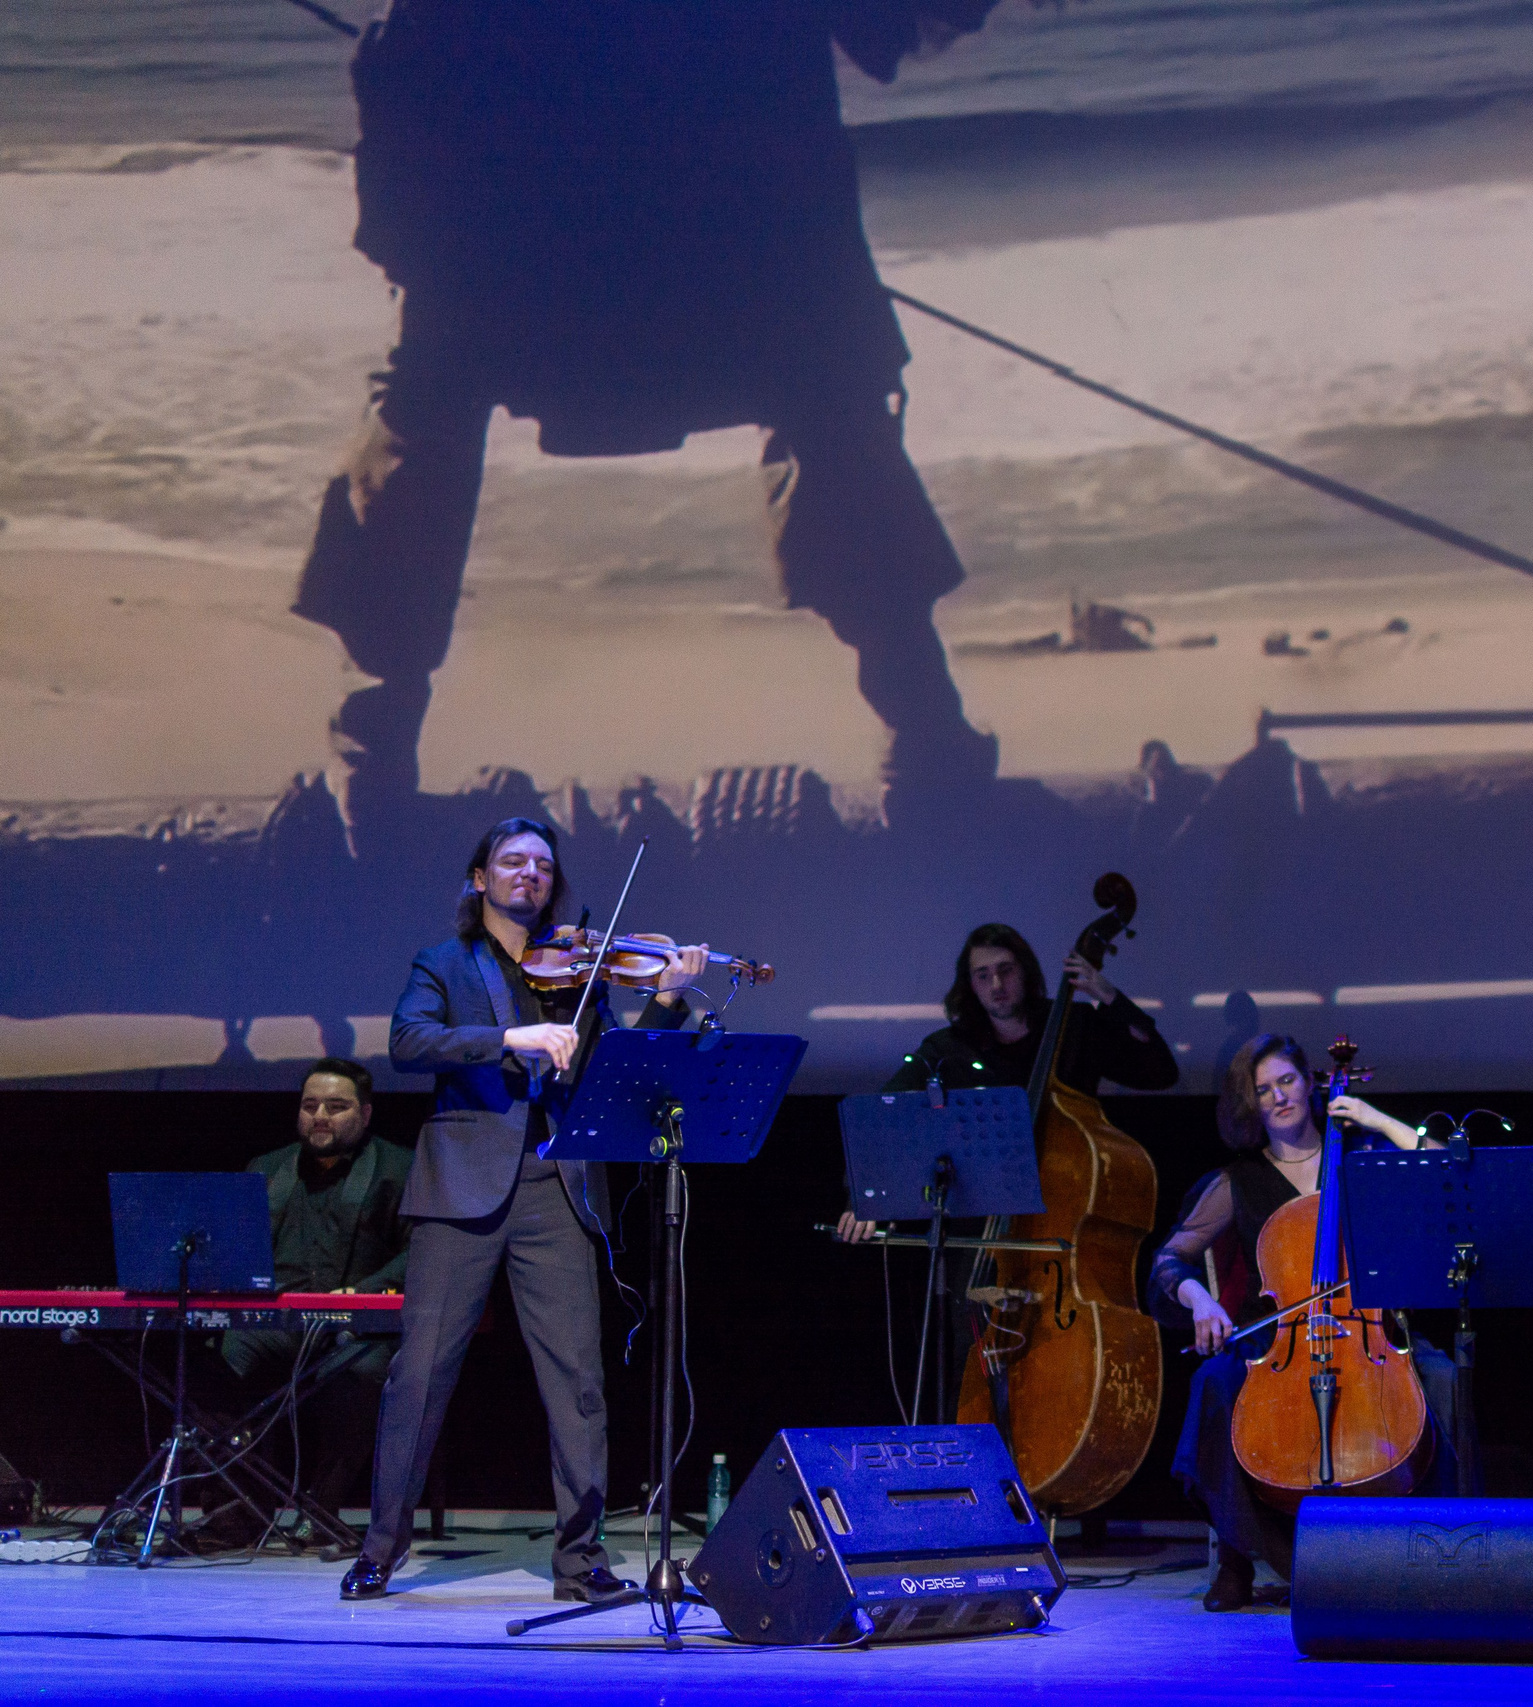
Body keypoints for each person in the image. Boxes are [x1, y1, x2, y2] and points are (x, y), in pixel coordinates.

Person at [293, 0, 1012, 853]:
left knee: (423, 413)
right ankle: (925, 739)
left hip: (532, 231)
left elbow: (404, 67)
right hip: (730, 228)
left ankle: (370, 762)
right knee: (830, 405)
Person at [339, 818, 708, 1602]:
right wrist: (514, 1035)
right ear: (480, 877)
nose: (530, 873)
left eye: (543, 864)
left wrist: (668, 999)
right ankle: (379, 1547)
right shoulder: (443, 961)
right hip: (461, 1186)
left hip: (557, 1182)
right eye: (512, 861)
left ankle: (581, 1560)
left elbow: (617, 1069)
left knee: (577, 1379)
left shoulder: (579, 969)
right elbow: (409, 1041)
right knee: (420, 1372)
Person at [1147, 1034, 1457, 1611]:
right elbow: (1170, 1260)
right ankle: (1239, 1559)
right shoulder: (1237, 1181)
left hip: (1364, 1330)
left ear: (1310, 1082)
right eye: (1263, 1090)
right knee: (1213, 1384)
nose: (1279, 1097)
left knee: (1441, 1378)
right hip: (1277, 1341)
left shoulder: (1361, 1156)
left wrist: (1372, 1117)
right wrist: (1199, 1300)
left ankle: (1437, 1550)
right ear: (1250, 1103)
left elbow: (1446, 1169)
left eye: (1287, 1081)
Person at [831, 922, 1179, 1241]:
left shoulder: (1074, 1026)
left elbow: (1159, 1072)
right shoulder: (948, 1049)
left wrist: (1109, 996)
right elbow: (881, 1116)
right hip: (976, 1235)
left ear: (1025, 972)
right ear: (970, 985)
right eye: (983, 975)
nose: (996, 985)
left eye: (1006, 970)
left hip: (1064, 1223)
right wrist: (865, 1200)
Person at [215, 1058, 412, 1539]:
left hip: (356, 1326)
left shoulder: (399, 1169)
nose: (320, 1116)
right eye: (310, 1106)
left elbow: (422, 1250)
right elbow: (235, 1250)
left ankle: (321, 1509)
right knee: (224, 1356)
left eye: (336, 1106)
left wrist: (364, 1291)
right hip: (279, 1323)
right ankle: (242, 1507)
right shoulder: (268, 1168)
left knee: (359, 1370)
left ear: (365, 1113)